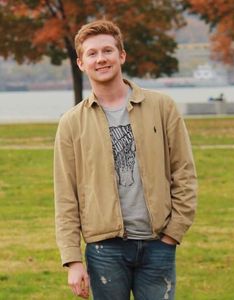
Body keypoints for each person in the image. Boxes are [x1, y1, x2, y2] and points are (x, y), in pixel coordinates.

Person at [54, 19, 197, 300]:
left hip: (158, 245)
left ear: (121, 55)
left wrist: (172, 234)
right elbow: (65, 196)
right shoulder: (71, 123)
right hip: (103, 250)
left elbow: (184, 172)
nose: (101, 59)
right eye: (91, 54)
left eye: (107, 50)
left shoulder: (162, 107)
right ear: (81, 63)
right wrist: (72, 260)